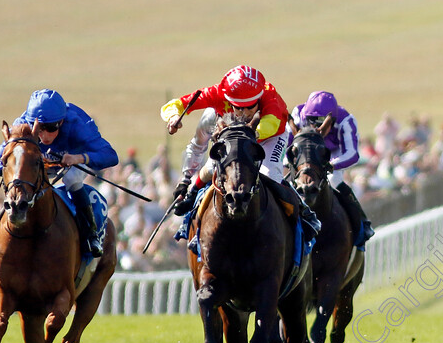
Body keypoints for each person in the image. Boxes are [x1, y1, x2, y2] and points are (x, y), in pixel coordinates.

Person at [160, 65, 319, 238]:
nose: (244, 112)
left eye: (250, 106)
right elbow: (176, 104)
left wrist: (248, 133)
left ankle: (303, 212)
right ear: (228, 99)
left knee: (270, 173)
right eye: (238, 107)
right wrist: (173, 117)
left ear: (259, 98)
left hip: (270, 137)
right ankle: (190, 198)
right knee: (213, 167)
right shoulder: (217, 93)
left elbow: (271, 125)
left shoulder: (270, 96)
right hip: (233, 134)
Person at [0, 89, 118, 257]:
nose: (44, 135)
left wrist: (78, 158)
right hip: (36, 168)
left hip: (70, 164)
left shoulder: (77, 123)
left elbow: (110, 156)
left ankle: (90, 233)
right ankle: (1, 220)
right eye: (38, 127)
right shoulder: (22, 126)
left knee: (72, 178)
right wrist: (10, 166)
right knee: (19, 179)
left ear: (61, 122)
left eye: (51, 127)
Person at [289, 91, 374, 245]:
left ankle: (360, 222)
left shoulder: (346, 121)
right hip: (306, 152)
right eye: (310, 121)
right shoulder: (297, 114)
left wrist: (330, 165)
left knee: (334, 179)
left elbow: (353, 154)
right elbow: (287, 144)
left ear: (331, 120)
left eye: (319, 122)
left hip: (333, 153)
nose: (314, 126)